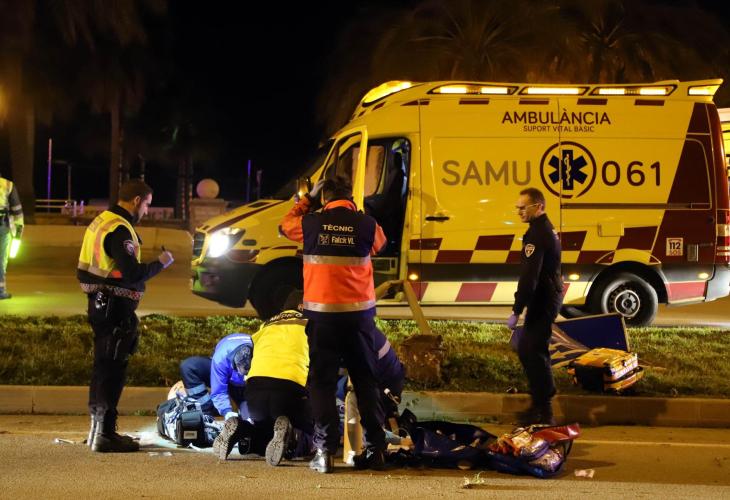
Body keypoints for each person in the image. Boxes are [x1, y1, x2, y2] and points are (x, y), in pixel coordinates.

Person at [280, 175, 389, 473]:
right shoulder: (367, 224)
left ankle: (324, 453)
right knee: (366, 381)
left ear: (324, 198)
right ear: (351, 197)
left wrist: (306, 200)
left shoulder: (311, 223)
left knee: (322, 383)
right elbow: (380, 244)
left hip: (323, 319)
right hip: (358, 319)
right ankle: (376, 451)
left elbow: (284, 225)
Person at [77, 179, 174, 452]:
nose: (146, 210)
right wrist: (161, 263)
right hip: (115, 307)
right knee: (112, 369)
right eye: (147, 205)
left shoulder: (101, 222)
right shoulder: (120, 229)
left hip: (98, 303)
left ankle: (96, 431)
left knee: (102, 366)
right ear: (136, 201)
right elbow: (132, 273)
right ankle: (105, 435)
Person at [219, 291, 315, 466]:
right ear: (303, 306)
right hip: (290, 390)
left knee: (264, 433)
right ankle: (293, 437)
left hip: (254, 390)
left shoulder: (267, 324)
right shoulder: (311, 323)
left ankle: (241, 429)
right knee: (310, 434)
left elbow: (251, 350)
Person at [507, 187, 563, 426]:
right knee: (528, 348)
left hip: (544, 298)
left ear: (538, 206)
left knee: (533, 350)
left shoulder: (538, 234)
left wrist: (517, 309)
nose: (519, 211)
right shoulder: (540, 229)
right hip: (545, 296)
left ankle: (544, 410)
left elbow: (530, 276)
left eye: (523, 207)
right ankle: (540, 403)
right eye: (517, 207)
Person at [181, 333, 254, 458]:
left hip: (248, 385)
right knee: (189, 366)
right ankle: (206, 416)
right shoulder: (221, 359)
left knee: (252, 417)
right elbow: (219, 391)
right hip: (226, 375)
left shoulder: (261, 354)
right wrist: (227, 411)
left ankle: (248, 425)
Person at [0, 170, 24, 300]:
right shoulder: (8, 185)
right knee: (1, 259)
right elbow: (17, 210)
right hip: (3, 226)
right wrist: (19, 230)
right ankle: (0, 291)